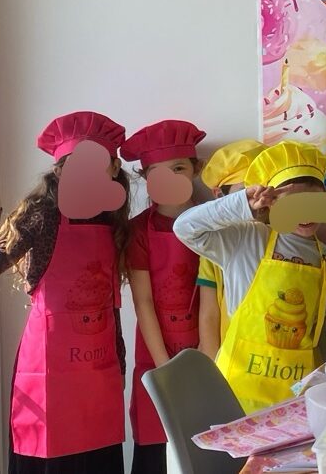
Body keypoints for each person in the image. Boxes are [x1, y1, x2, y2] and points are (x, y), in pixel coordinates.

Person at [0, 111, 129, 474]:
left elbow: (112, 304)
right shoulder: (43, 216)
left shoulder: (112, 222)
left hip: (98, 371)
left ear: (114, 167)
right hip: (48, 374)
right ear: (59, 172)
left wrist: (120, 363)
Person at [173, 141, 326, 413]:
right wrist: (242, 203)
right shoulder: (246, 240)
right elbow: (185, 228)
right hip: (236, 393)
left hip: (295, 396)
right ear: (272, 203)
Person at [121, 119, 207, 474]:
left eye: (178, 169)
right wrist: (164, 367)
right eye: (157, 173)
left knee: (201, 438)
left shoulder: (210, 220)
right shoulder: (139, 230)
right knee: (157, 441)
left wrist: (207, 353)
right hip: (156, 350)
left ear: (196, 169)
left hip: (206, 346)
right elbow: (143, 302)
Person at [196, 139, 266, 358]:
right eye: (246, 193)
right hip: (233, 355)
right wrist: (213, 369)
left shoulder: (286, 234)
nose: (258, 201)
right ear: (220, 196)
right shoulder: (216, 245)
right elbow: (209, 314)